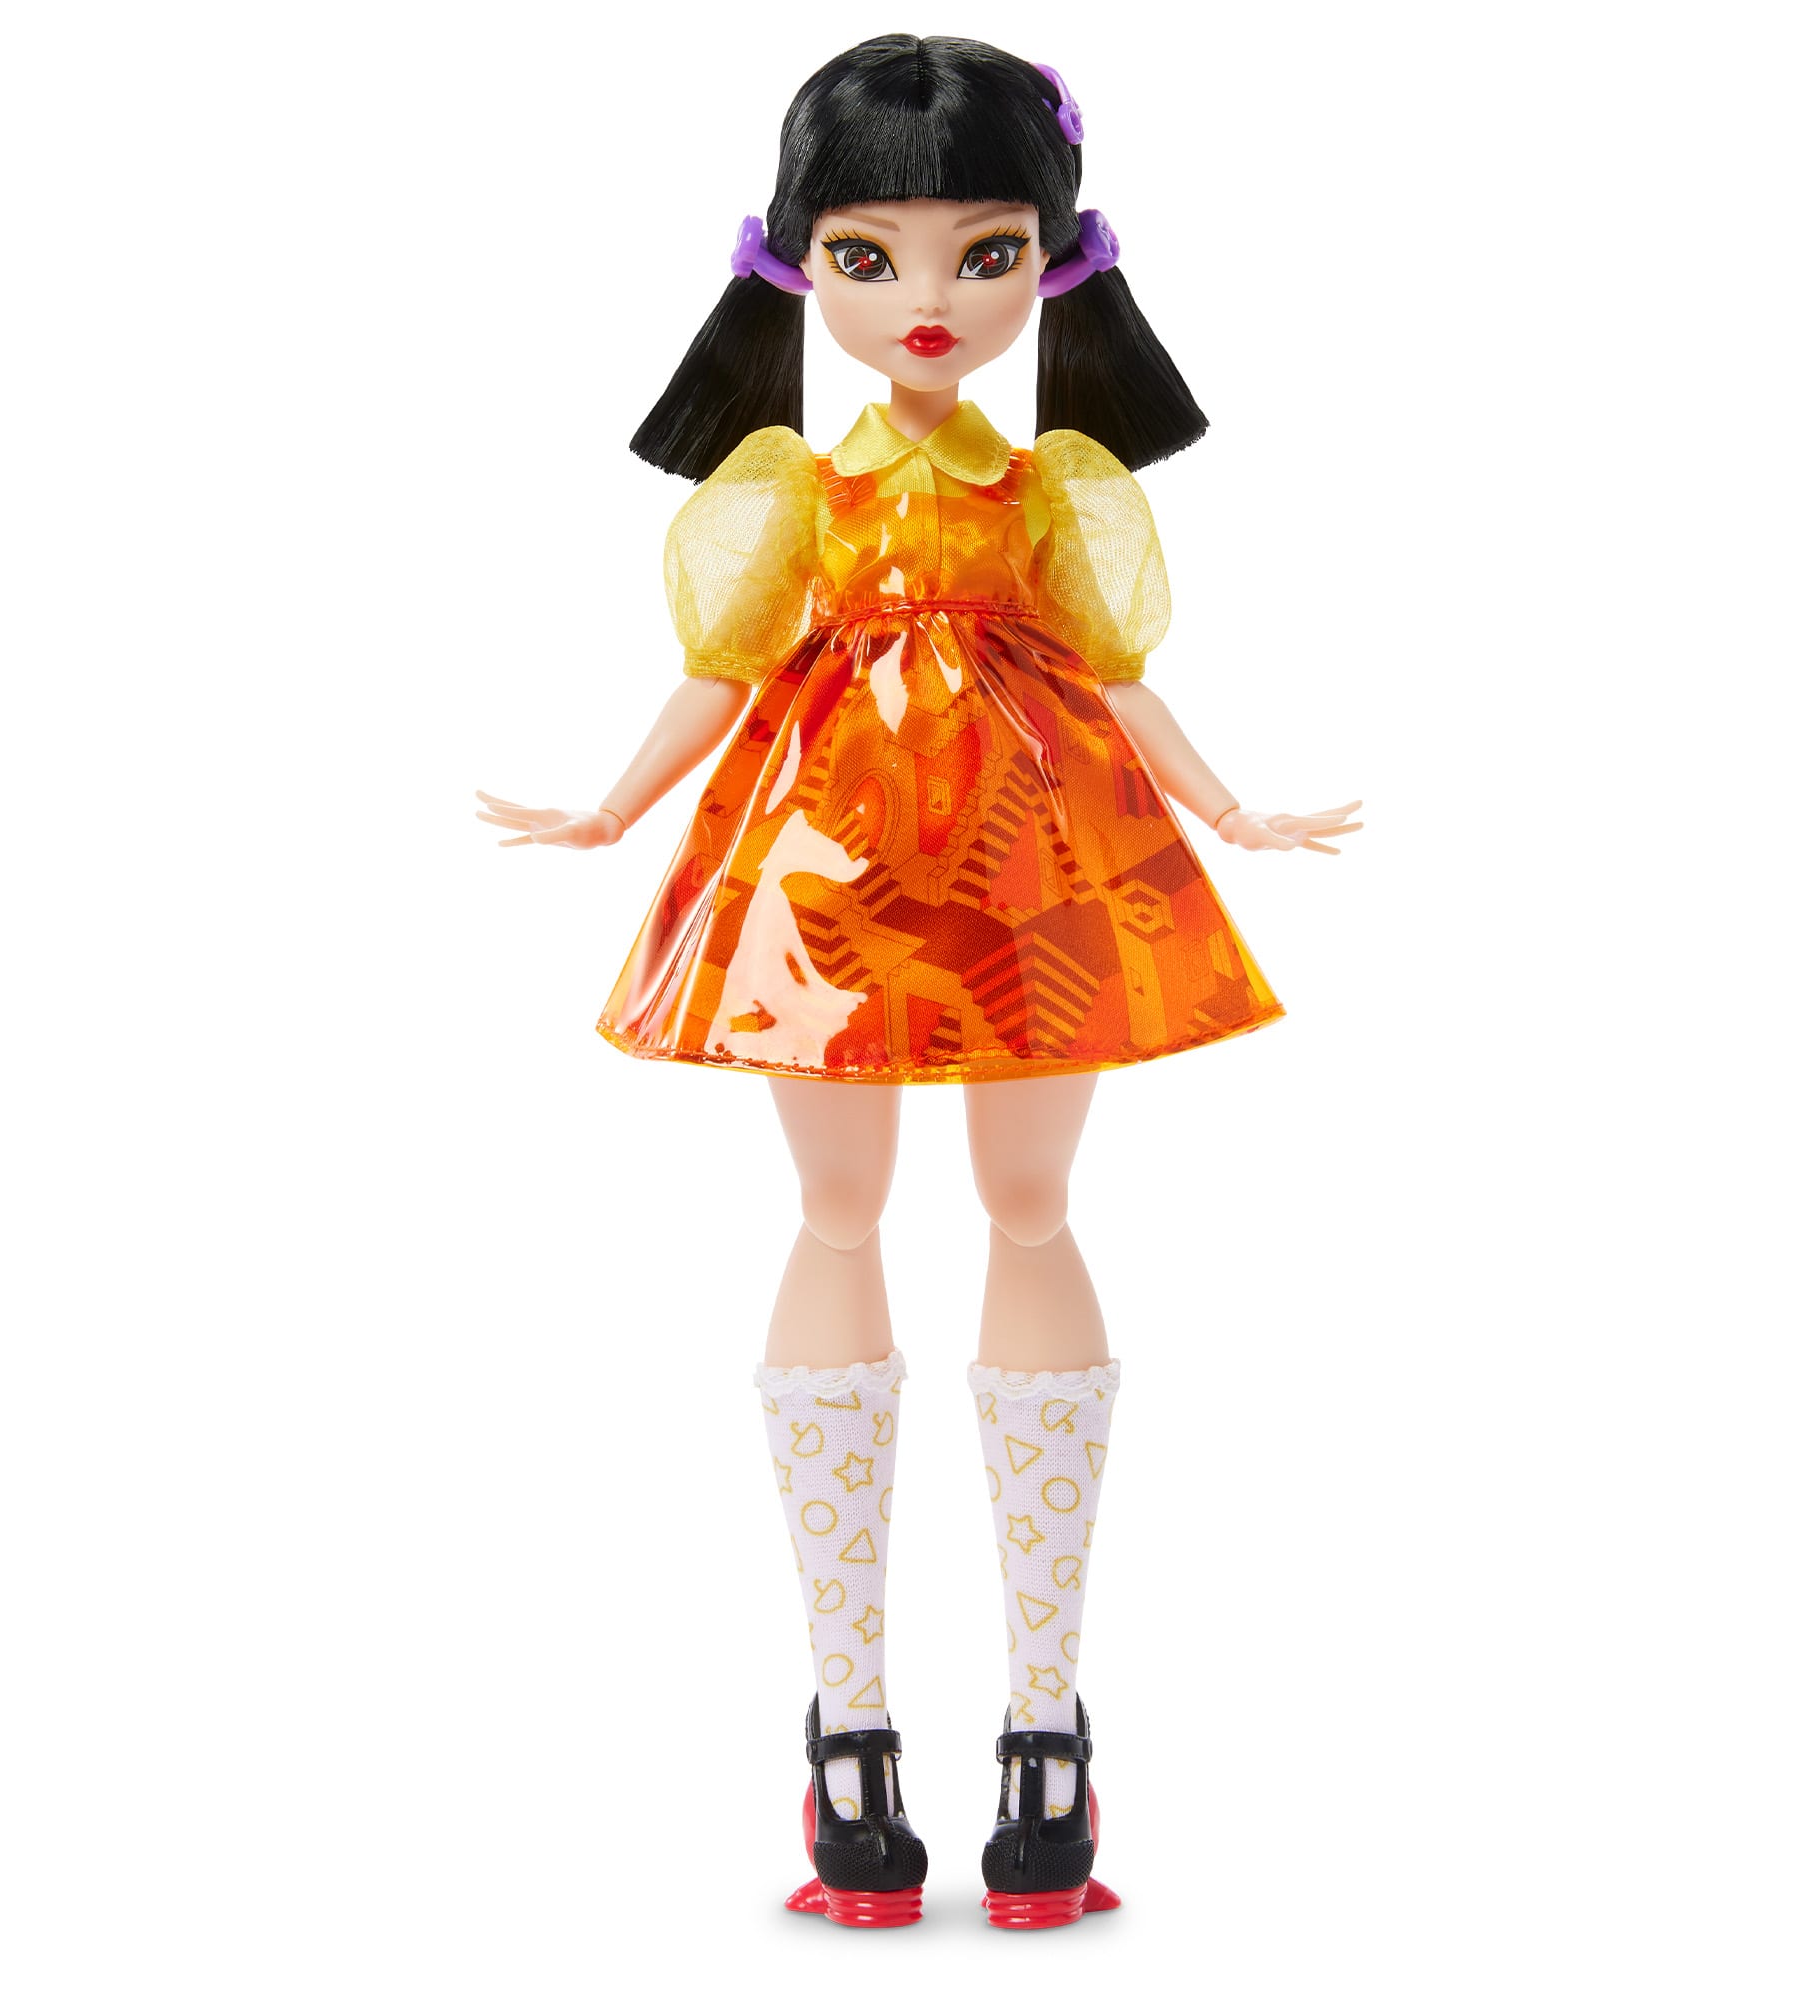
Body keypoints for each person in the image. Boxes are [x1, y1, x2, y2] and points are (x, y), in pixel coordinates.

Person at [477, 34, 1360, 1929]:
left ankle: (1044, 1717)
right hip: (824, 874)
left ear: (1056, 259)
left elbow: (1115, 672)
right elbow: (723, 669)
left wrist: (1234, 812)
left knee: (1030, 1203)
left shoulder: (1051, 485)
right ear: (802, 264)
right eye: (871, 258)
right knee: (836, 1205)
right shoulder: (794, 482)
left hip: (1034, 855)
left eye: (987, 251)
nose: (932, 298)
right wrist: (612, 807)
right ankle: (854, 1725)